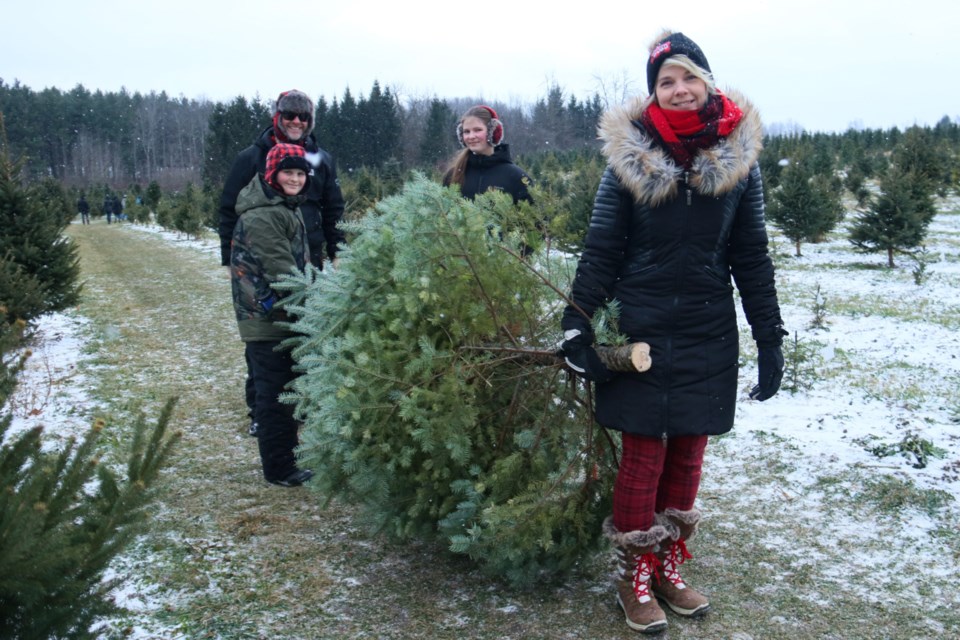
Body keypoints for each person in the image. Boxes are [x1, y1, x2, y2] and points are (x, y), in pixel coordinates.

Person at [558, 30, 786, 634]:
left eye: (689, 76)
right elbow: (602, 249)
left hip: (709, 330)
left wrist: (770, 337)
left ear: (707, 82)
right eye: (666, 81)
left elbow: (752, 256)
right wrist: (576, 327)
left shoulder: (739, 163)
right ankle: (633, 575)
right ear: (653, 92)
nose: (679, 89)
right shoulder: (628, 163)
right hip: (642, 332)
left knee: (688, 453)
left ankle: (667, 564)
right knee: (644, 454)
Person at [218, 89, 346, 437]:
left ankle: (299, 404)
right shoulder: (252, 156)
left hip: (309, 257)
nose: (296, 122)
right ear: (277, 115)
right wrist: (228, 257)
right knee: (266, 334)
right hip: (260, 259)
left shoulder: (320, 159)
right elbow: (229, 206)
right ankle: (262, 410)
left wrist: (338, 252)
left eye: (303, 117)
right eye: (290, 114)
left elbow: (334, 209)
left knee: (305, 332)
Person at [231, 143, 315, 487]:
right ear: (272, 174)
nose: (295, 178)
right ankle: (280, 468)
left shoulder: (282, 205)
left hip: (278, 313)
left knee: (283, 390)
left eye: (300, 173)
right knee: (276, 394)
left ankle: (286, 458)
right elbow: (282, 270)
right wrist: (314, 304)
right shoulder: (264, 213)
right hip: (267, 315)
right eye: (288, 172)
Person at [442, 105, 532, 204]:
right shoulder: (453, 175)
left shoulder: (516, 177)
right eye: (466, 132)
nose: (471, 136)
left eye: (478, 130)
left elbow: (535, 217)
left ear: (493, 132)